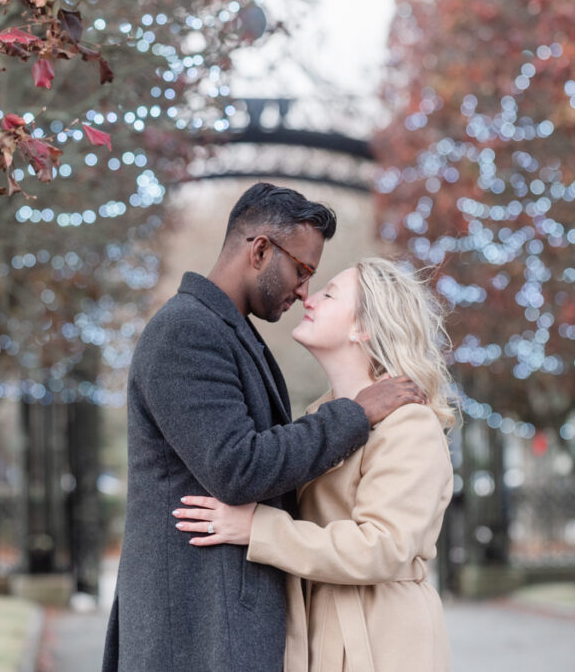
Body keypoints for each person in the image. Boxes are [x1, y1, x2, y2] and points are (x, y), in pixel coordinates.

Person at [102, 184, 425, 672]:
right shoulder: (185, 331)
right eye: (302, 270)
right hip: (195, 632)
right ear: (259, 250)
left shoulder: (228, 331)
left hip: (219, 627)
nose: (303, 291)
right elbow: (238, 466)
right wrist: (354, 414)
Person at [174, 257, 457, 672]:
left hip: (383, 641)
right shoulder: (319, 417)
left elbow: (384, 547)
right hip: (318, 630)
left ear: (364, 328)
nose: (309, 296)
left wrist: (258, 529)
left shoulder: (409, 423)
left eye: (330, 293)